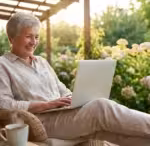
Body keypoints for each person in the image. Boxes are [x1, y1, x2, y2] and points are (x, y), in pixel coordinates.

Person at [0, 12, 150, 146]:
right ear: (12, 38)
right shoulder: (3, 65)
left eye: (37, 37)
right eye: (28, 36)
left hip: (64, 114)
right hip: (41, 120)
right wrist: (45, 105)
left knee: (113, 133)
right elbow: (4, 103)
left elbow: (61, 89)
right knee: (100, 108)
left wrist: (75, 98)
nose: (34, 42)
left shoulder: (42, 62)